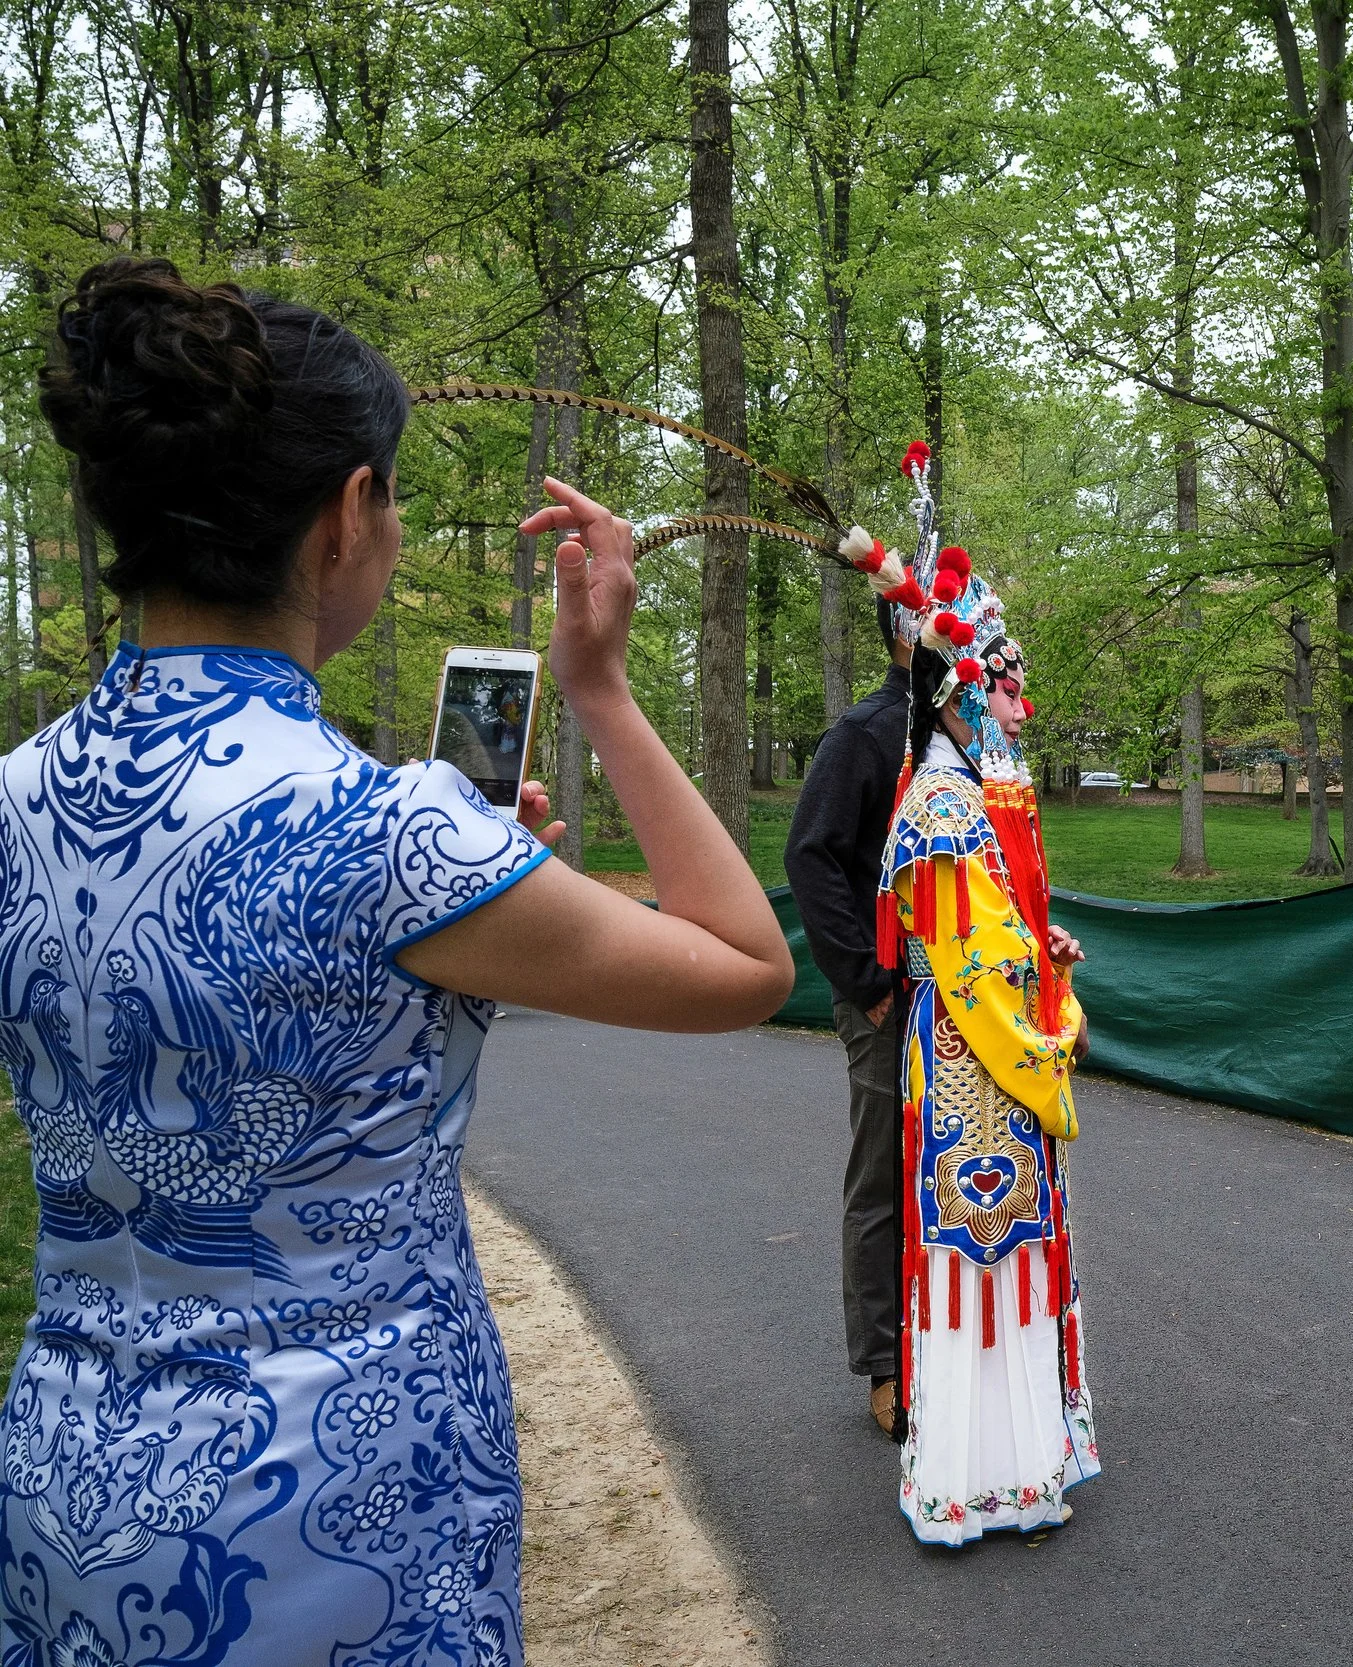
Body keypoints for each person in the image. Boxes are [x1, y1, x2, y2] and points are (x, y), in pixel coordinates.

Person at [5, 255, 792, 1662]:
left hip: (66, 1482)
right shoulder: (388, 831)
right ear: (348, 512)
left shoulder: (13, 800)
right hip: (335, 1506)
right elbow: (743, 958)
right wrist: (600, 687)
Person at [875, 463, 1096, 1544]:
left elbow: (988, 930)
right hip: (976, 1055)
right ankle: (977, 1473)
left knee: (1012, 1243)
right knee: (981, 1243)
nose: (1023, 698)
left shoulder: (967, 793)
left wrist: (1035, 949)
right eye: (1007, 681)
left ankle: (1024, 1455)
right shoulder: (944, 805)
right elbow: (966, 963)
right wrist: (1047, 1030)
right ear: (965, 691)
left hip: (982, 1048)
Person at [785, 598, 918, 1436]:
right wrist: (867, 980)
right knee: (881, 1174)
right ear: (907, 633)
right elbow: (810, 855)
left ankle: (954, 1346)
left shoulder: (961, 740)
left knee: (955, 1171)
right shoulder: (866, 734)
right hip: (885, 1001)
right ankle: (885, 1364)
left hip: (963, 1002)